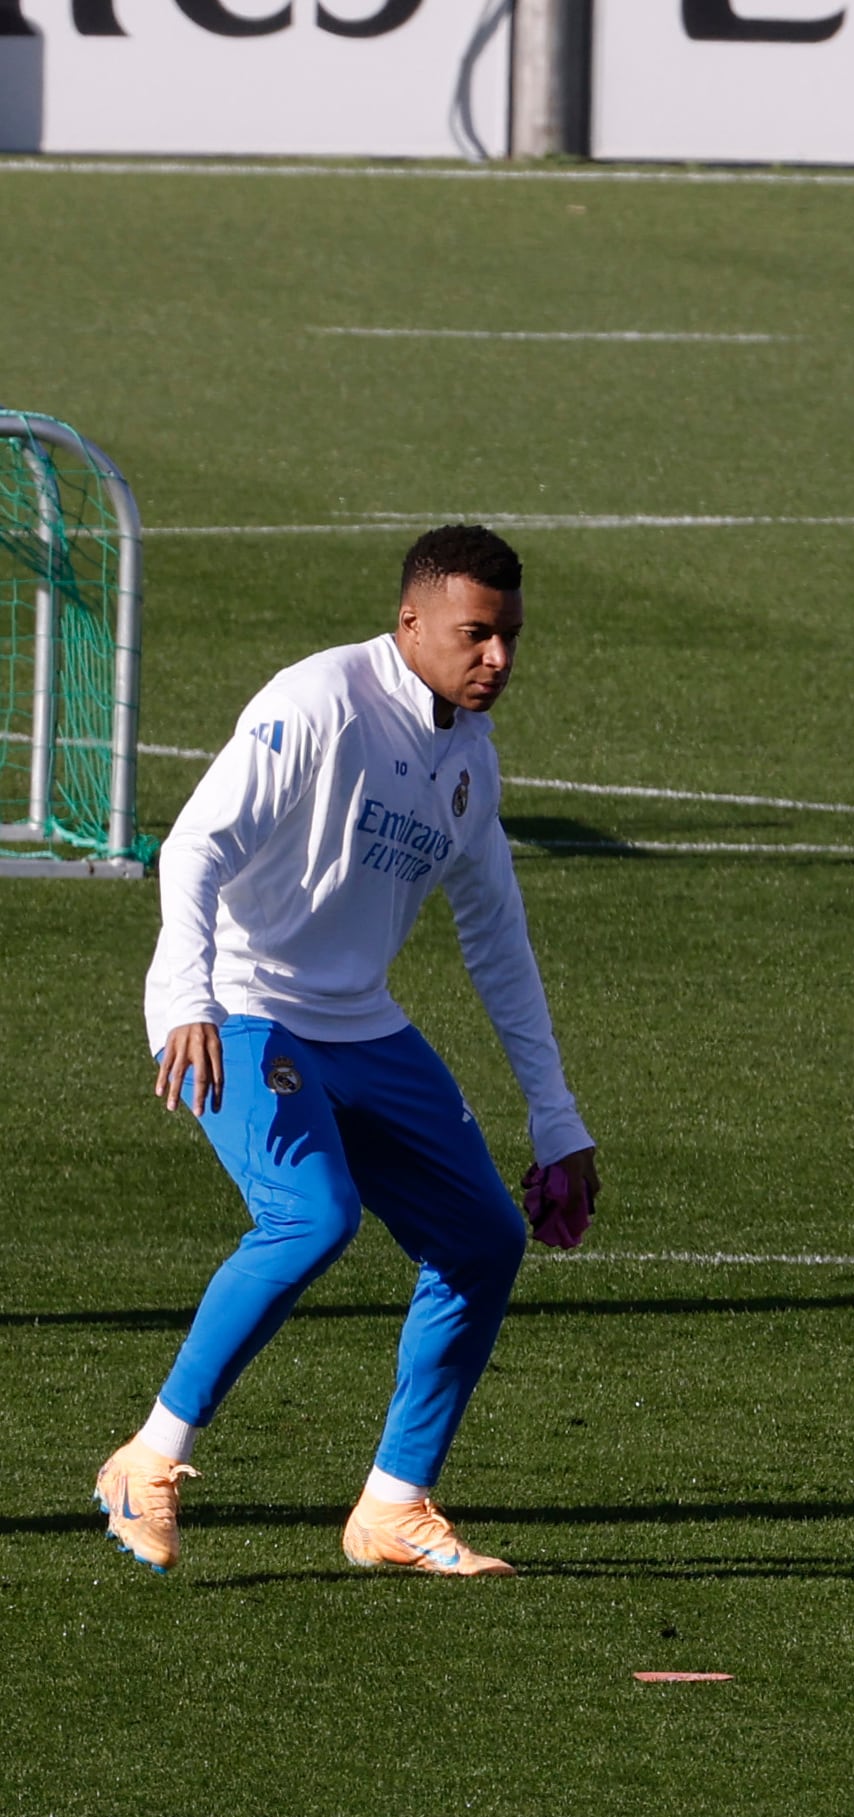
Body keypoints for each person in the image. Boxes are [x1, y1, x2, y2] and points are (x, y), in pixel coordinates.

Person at [102, 524, 597, 1578]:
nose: (499, 659)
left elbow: (498, 941)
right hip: (237, 1003)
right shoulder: (319, 700)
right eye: (477, 634)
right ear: (409, 621)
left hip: (358, 1021)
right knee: (310, 1216)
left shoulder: (468, 754)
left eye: (511, 637)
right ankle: (146, 1459)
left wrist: (556, 1119)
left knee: (482, 1239)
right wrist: (188, 994)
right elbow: (194, 845)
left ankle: (392, 1507)